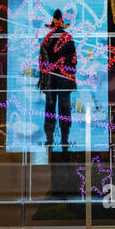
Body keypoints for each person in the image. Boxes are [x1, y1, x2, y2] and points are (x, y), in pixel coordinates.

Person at [38, 9, 77, 149]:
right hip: (65, 79)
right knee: (65, 110)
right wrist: (72, 79)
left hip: (51, 80)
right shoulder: (68, 39)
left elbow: (42, 63)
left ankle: (50, 140)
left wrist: (42, 81)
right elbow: (73, 62)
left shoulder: (46, 40)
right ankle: (64, 141)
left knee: (50, 110)